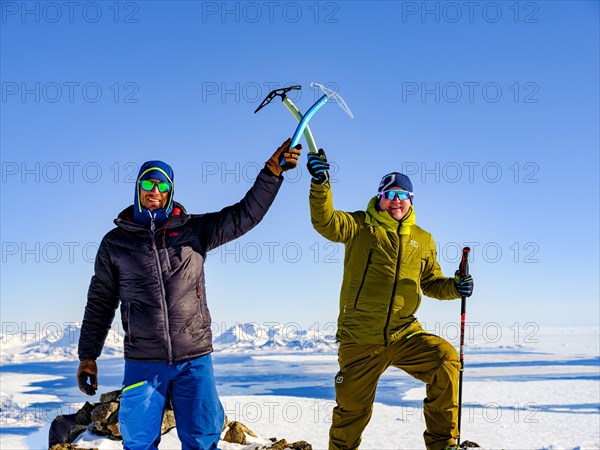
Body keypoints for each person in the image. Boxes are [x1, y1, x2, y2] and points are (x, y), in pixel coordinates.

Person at [76, 139, 301, 450]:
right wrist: (88, 356)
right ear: (138, 189)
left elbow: (244, 215)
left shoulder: (194, 230)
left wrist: (271, 173)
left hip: (193, 358)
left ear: (170, 191)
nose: (154, 191)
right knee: (138, 440)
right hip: (143, 360)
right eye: (147, 183)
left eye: (162, 185)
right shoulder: (115, 243)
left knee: (202, 438)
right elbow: (100, 302)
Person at [306, 150, 474, 450]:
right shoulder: (359, 226)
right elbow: (325, 221)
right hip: (360, 337)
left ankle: (443, 444)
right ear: (379, 199)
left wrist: (456, 287)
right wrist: (321, 184)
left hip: (404, 333)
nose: (396, 200)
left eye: (402, 194)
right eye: (389, 194)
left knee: (446, 360)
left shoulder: (422, 238)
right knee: (352, 410)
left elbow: (431, 283)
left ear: (411, 200)